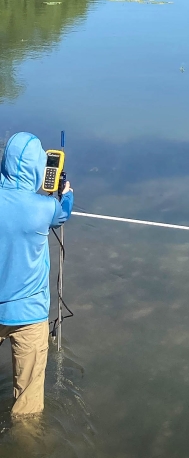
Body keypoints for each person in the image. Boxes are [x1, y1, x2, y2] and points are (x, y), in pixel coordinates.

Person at [0, 132, 74, 416]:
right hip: (28, 314)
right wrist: (66, 194)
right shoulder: (44, 208)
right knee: (28, 405)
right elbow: (62, 214)